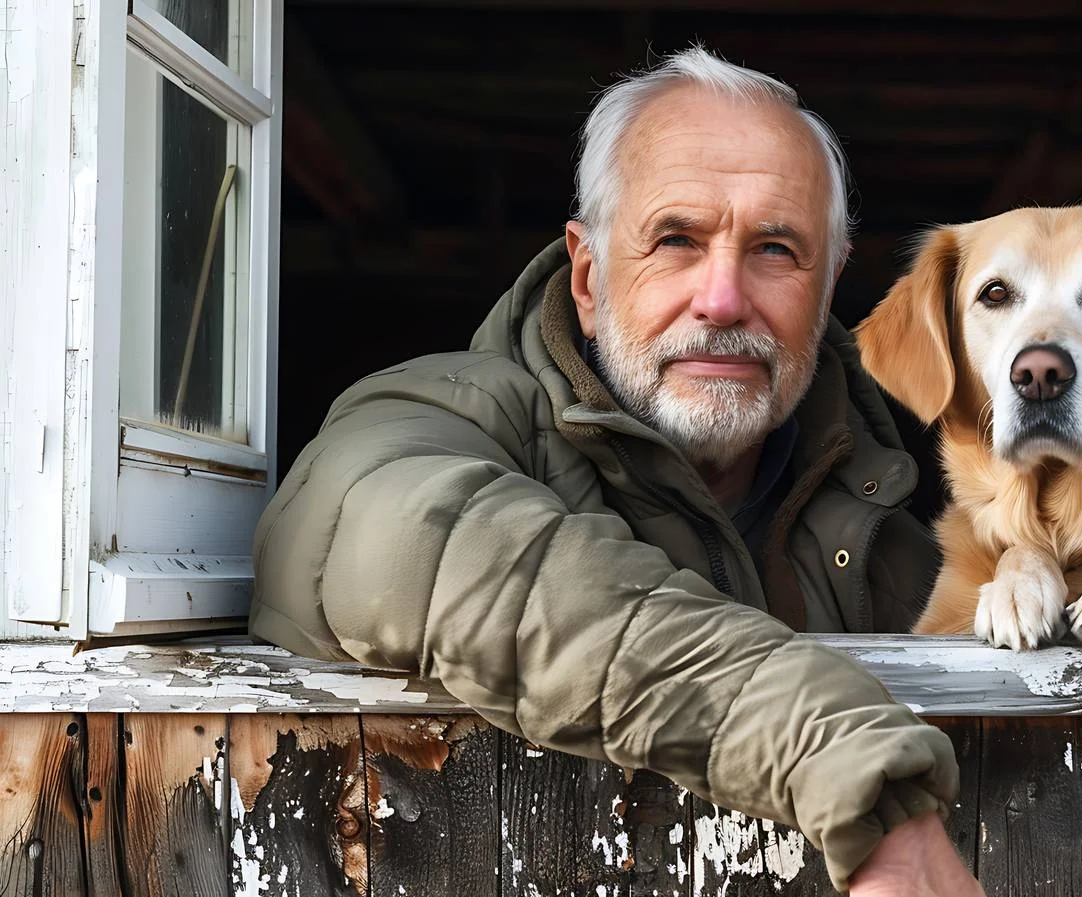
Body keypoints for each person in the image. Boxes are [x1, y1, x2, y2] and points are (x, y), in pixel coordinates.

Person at [251, 46, 983, 896]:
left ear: (829, 289)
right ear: (590, 275)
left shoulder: (897, 543)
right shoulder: (447, 410)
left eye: (776, 249)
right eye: (676, 239)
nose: (722, 297)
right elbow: (383, 534)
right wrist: (838, 751)